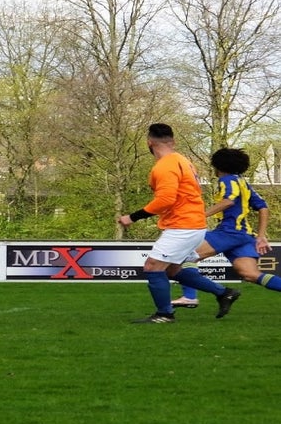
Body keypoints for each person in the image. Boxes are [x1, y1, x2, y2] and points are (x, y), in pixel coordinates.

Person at [116, 123, 240, 323]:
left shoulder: (165, 166)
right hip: (194, 224)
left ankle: (164, 314)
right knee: (171, 270)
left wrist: (132, 217)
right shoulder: (183, 161)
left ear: (149, 143)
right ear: (173, 142)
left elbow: (166, 200)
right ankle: (224, 293)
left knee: (152, 266)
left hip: (182, 226)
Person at [170, 148, 280, 308]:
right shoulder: (243, 182)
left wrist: (201, 215)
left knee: (184, 255)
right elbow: (263, 207)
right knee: (250, 274)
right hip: (244, 235)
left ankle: (189, 297)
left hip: (229, 232)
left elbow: (228, 201)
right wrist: (261, 235)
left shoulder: (227, 180)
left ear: (218, 165)